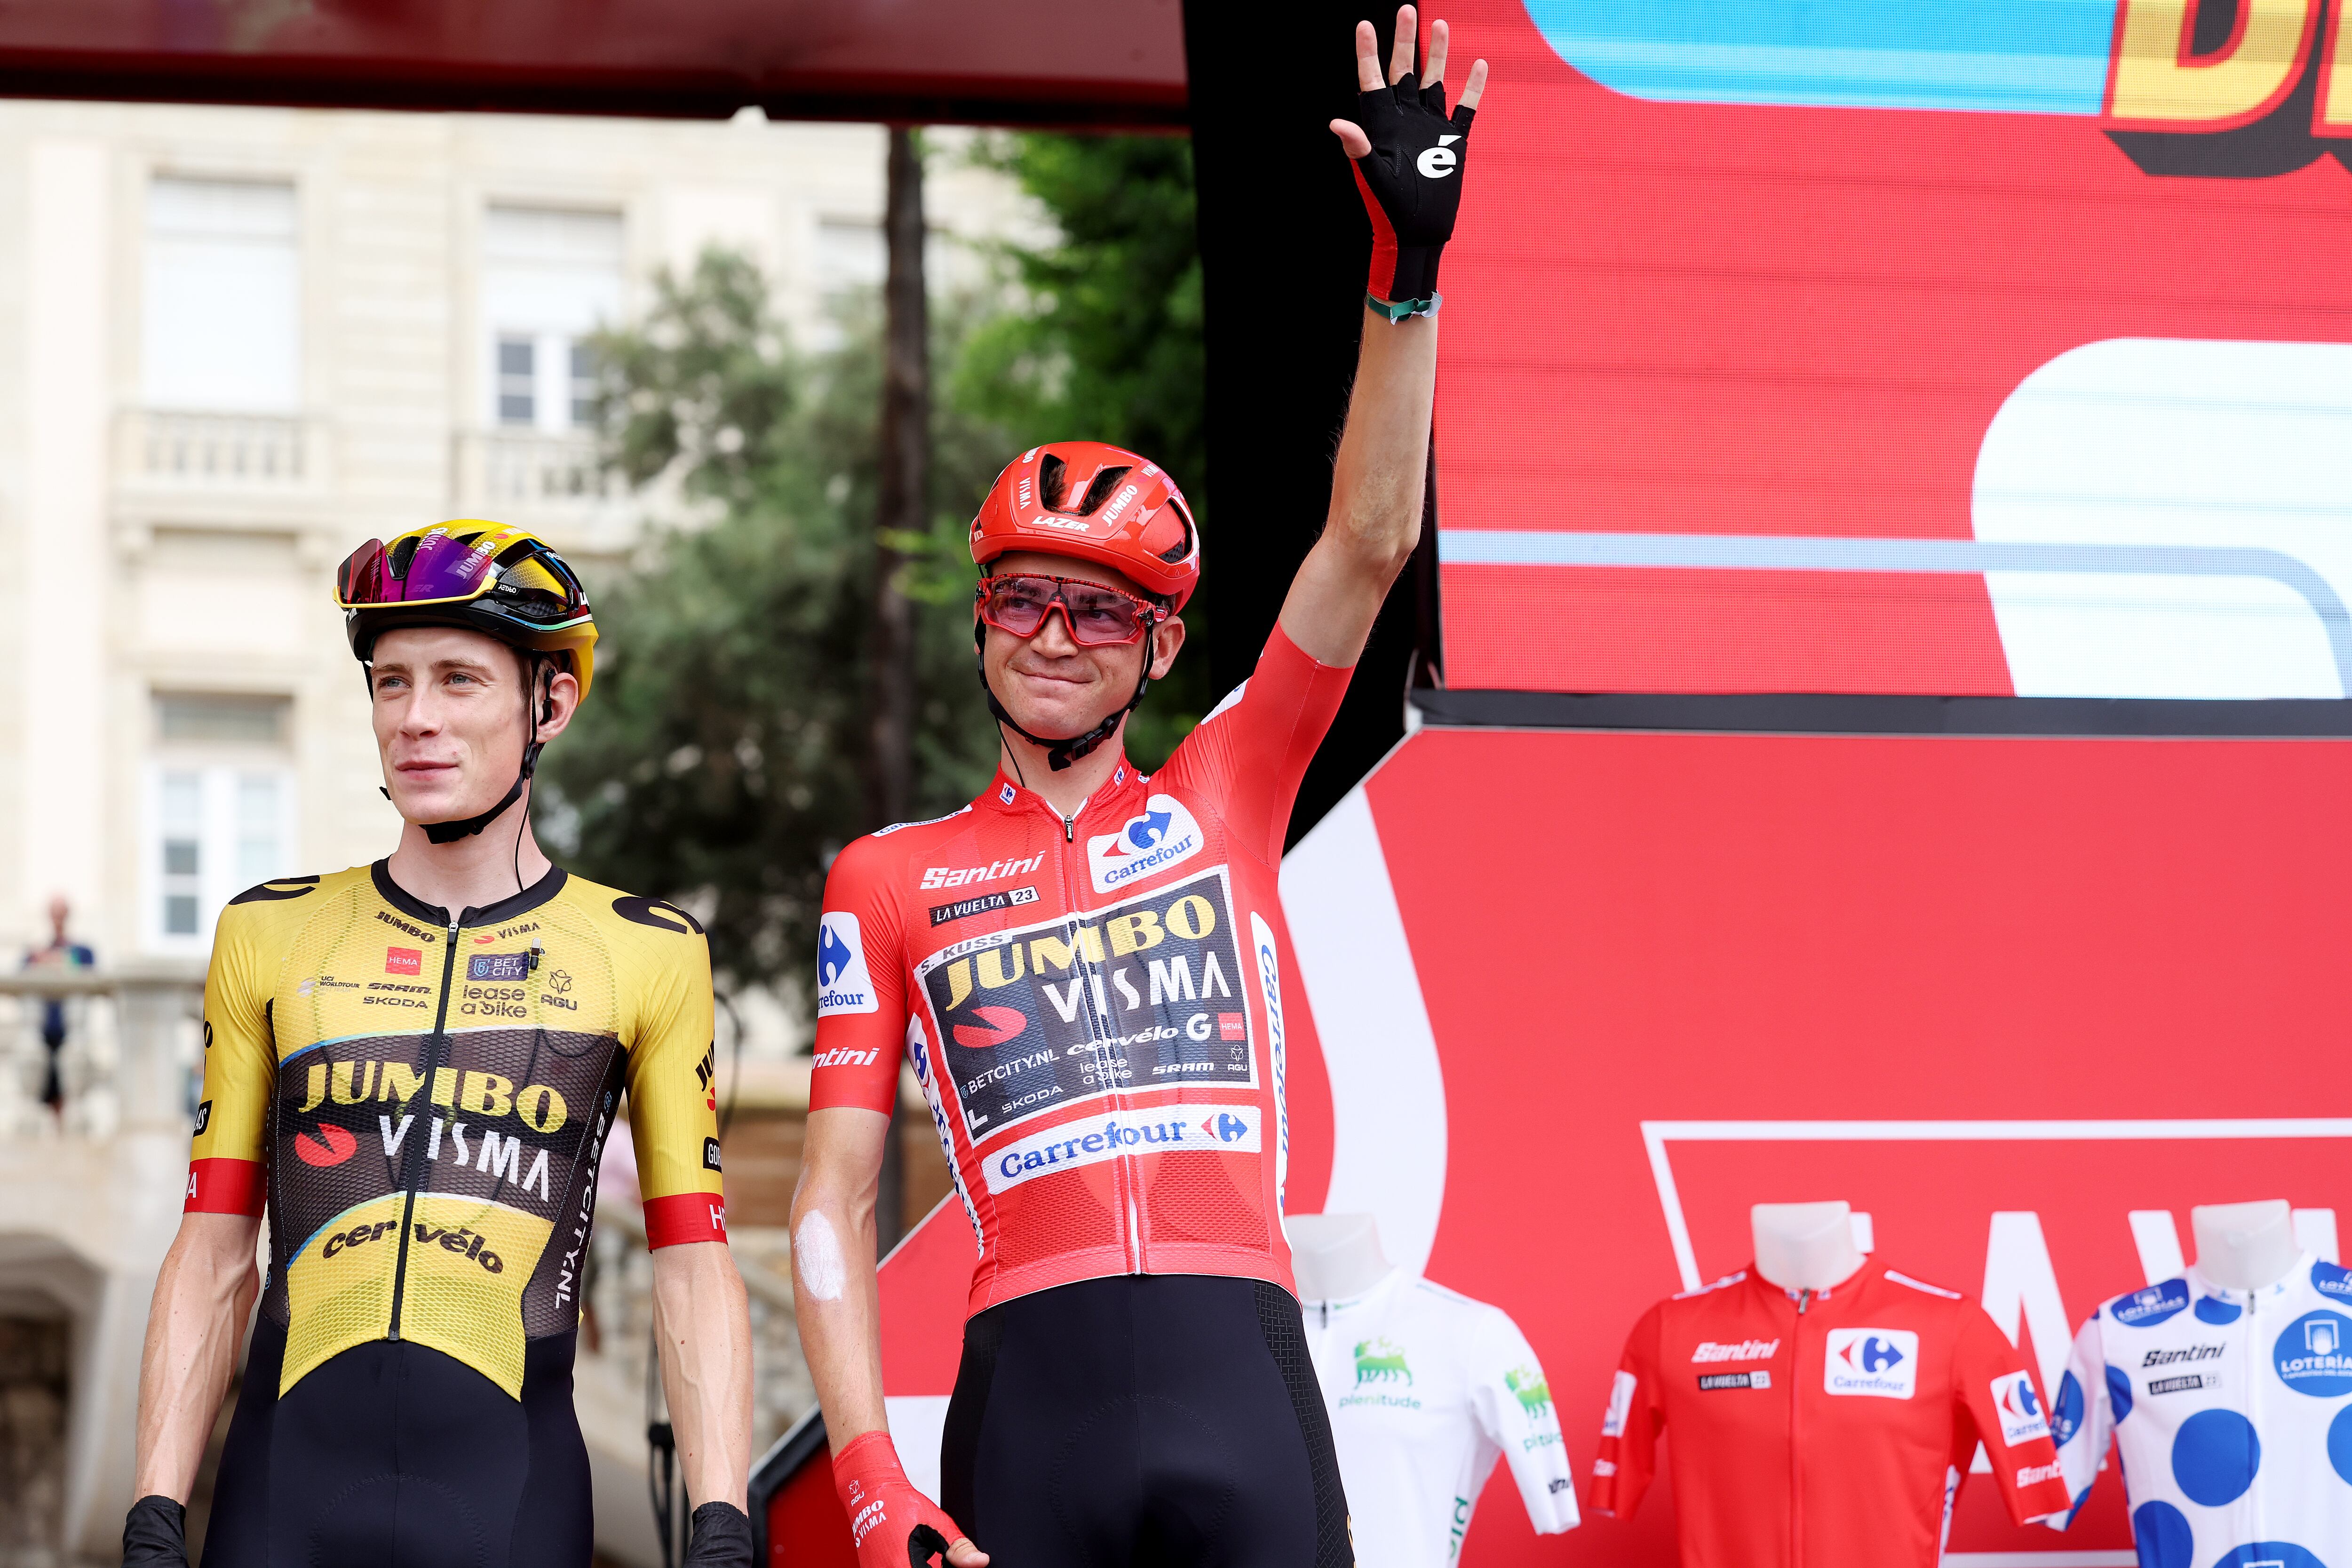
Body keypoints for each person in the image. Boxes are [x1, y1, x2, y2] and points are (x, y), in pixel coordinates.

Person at [790, 12, 1485, 1566]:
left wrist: (1407, 276)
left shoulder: (1227, 787)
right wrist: (868, 1475)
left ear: (1162, 644)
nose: (1056, 635)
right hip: (1025, 1405)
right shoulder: (887, 877)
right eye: (1026, 597)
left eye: (1101, 610)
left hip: (1242, 1372)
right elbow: (829, 1198)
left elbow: (1370, 541)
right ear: (980, 620)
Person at [121, 522, 757, 1568]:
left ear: (550, 704)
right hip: (283, 1495)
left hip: (508, 1497)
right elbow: (215, 1247)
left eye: (459, 679)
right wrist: (155, 1506)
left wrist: (720, 1519)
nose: (416, 717)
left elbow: (692, 1262)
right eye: (392, 682)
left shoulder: (647, 950)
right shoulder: (271, 932)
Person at [21, 894, 95, 1112]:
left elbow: (90, 970)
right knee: (45, 1089)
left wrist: (56, 960)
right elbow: (22, 975)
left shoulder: (82, 951)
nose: (58, 919)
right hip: (45, 1028)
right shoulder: (36, 952)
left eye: (61, 914)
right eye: (55, 914)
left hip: (69, 1029)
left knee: (70, 1083)